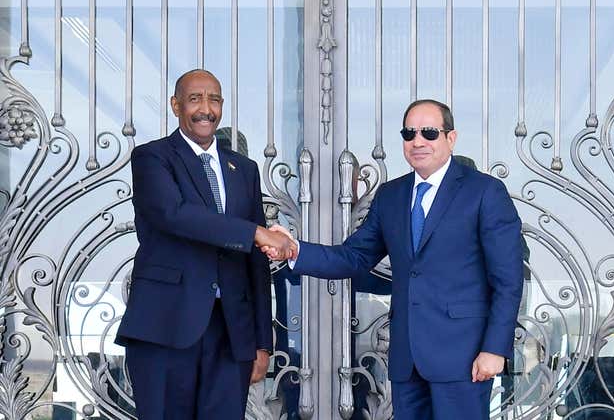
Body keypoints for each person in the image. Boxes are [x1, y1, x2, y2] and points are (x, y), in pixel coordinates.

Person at [263, 99, 524, 419]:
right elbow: (354, 257)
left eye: (429, 133)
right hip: (407, 359)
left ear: (451, 138)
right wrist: (295, 250)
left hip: (464, 358)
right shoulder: (391, 195)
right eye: (409, 133)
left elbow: (508, 281)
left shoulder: (484, 192)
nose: (418, 141)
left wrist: (495, 349)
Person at [115, 69, 294, 419]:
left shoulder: (243, 168)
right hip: (166, 326)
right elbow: (175, 214)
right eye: (195, 98)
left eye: (214, 99)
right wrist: (255, 232)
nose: (205, 109)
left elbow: (255, 264)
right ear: (176, 105)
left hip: (231, 332)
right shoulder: (153, 157)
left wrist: (262, 342)